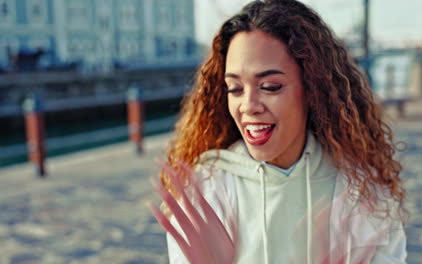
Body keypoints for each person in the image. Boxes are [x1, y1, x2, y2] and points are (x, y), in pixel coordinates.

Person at [149, 0, 408, 263]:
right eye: (235, 89)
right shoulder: (207, 190)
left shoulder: (360, 190)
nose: (248, 106)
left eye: (271, 87)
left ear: (312, 89)